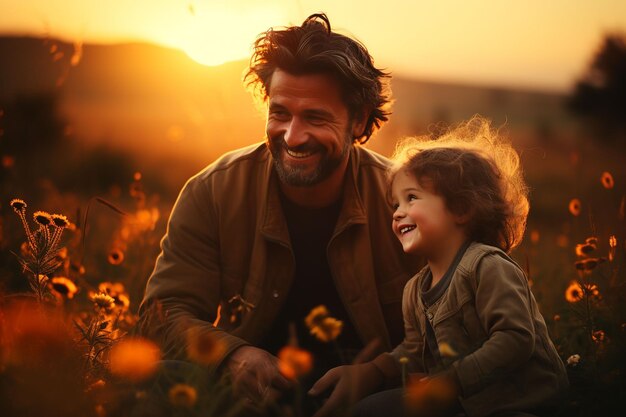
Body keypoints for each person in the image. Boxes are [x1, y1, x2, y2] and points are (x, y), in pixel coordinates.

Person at [137, 12, 419, 413]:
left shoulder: (405, 200)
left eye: (315, 118)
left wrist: (376, 374)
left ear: (358, 122)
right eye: (281, 113)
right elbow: (161, 317)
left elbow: (457, 330)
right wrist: (232, 356)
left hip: (369, 398)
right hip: (250, 396)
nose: (292, 136)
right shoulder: (212, 191)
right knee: (151, 382)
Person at [309, 117, 569, 417]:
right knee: (369, 409)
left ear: (461, 208)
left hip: (522, 404)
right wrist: (374, 371)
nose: (397, 214)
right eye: (395, 204)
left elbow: (515, 339)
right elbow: (413, 351)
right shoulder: (415, 289)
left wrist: (452, 381)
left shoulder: (487, 267)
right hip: (463, 404)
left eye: (411, 199)